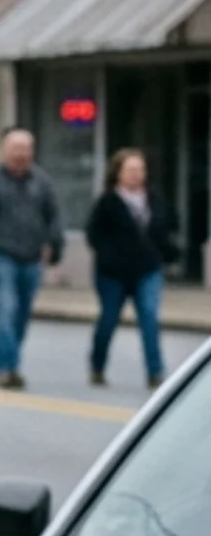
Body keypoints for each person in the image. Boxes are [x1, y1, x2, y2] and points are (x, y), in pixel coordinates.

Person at [0, 127, 63, 389]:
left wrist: (55, 247)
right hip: (0, 254)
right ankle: (5, 368)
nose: (20, 155)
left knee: (22, 313)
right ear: (5, 151)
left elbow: (53, 216)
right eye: (15, 149)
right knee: (6, 309)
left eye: (25, 149)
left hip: (31, 257)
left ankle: (13, 360)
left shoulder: (41, 182)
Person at [87, 146, 179, 388]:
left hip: (147, 270)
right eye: (130, 170)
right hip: (113, 274)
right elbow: (94, 235)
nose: (136, 175)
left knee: (149, 317)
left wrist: (168, 253)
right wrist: (109, 257)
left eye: (140, 170)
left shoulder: (154, 201)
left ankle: (155, 371)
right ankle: (97, 365)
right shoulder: (108, 202)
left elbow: (166, 229)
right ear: (118, 173)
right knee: (108, 320)